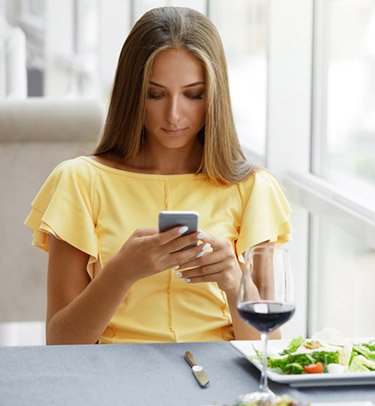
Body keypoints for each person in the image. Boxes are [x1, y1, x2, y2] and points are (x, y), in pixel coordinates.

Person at [25, 7, 292, 345]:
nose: (174, 114)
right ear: (132, 93)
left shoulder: (254, 189)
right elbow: (60, 343)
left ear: (213, 96)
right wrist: (121, 273)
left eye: (193, 94)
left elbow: (270, 349)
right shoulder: (79, 181)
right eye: (155, 94)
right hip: (114, 381)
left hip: (221, 384)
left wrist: (235, 282)